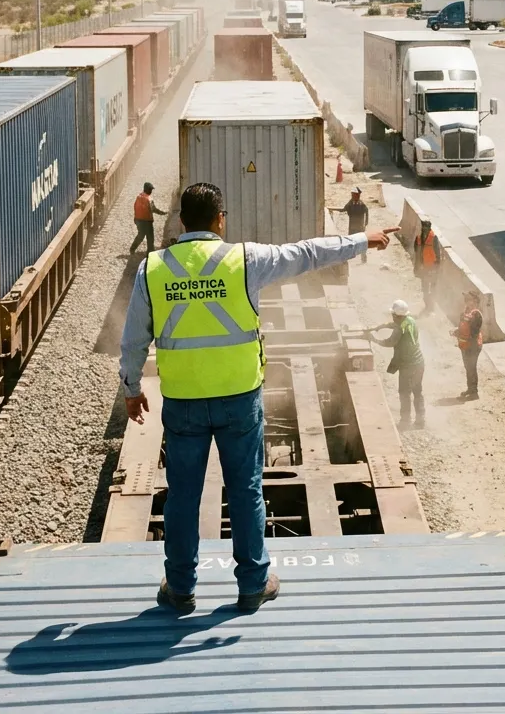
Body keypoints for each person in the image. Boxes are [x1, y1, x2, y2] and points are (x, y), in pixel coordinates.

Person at [119, 181, 397, 615]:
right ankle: (252, 585)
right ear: (219, 220)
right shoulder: (244, 260)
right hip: (238, 400)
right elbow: (307, 253)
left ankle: (180, 588)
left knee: (182, 496)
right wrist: (362, 239)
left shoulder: (153, 269)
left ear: (180, 222)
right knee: (246, 491)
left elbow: (133, 339)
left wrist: (132, 390)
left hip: (183, 402)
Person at [370, 299, 426, 429]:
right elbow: (395, 324)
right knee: (417, 391)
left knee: (404, 392)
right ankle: (420, 420)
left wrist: (374, 339)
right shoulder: (410, 320)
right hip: (419, 363)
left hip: (407, 365)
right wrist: (382, 326)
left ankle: (405, 421)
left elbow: (389, 342)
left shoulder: (399, 329)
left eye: (393, 315)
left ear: (395, 315)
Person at [451, 289, 483, 399]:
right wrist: (457, 331)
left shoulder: (476, 315)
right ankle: (470, 389)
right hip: (465, 345)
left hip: (472, 346)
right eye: (466, 300)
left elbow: (473, 333)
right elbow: (463, 327)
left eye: (469, 300)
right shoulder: (466, 312)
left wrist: (459, 334)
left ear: (475, 301)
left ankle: (474, 393)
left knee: (471, 368)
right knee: (468, 368)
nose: (466, 302)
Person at [130, 182, 167, 255]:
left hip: (138, 220)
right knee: (150, 237)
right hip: (147, 221)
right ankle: (150, 252)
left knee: (140, 235)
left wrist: (135, 218)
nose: (151, 191)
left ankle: (132, 248)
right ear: (147, 189)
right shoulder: (149, 199)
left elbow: (135, 207)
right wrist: (163, 213)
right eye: (150, 189)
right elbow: (153, 209)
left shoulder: (139, 196)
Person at [413, 219, 441, 312]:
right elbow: (416, 252)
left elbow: (438, 254)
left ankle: (431, 306)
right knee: (425, 288)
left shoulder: (433, 238)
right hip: (423, 267)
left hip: (432, 267)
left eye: (426, 228)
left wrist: (436, 268)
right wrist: (416, 266)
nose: (425, 230)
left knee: (432, 288)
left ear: (429, 228)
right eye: (423, 228)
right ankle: (427, 305)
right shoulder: (418, 238)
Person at [335, 187, 370, 262]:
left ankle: (363, 258)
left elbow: (367, 213)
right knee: (350, 241)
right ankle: (350, 258)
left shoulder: (362, 204)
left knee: (361, 242)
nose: (352, 196)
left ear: (358, 195)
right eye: (352, 195)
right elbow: (344, 208)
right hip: (352, 227)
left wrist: (366, 223)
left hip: (360, 227)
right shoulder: (351, 203)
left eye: (354, 195)